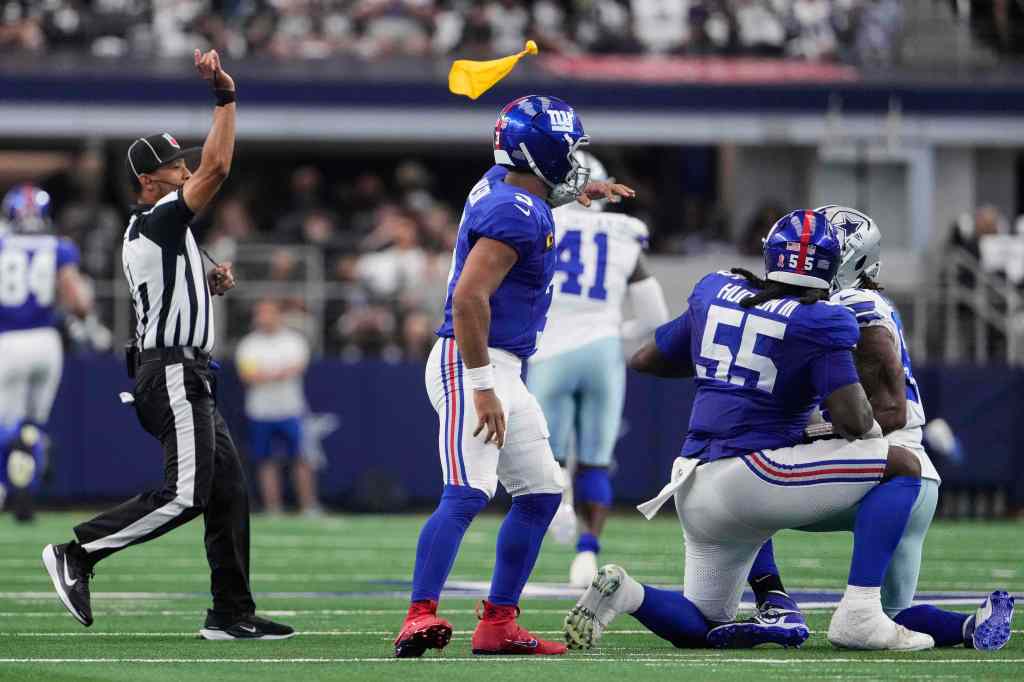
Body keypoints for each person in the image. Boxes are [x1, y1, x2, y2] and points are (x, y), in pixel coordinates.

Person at [564, 210, 934, 652]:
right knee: (902, 465)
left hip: (692, 483)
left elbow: (647, 359)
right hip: (754, 477)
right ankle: (861, 613)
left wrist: (735, 367)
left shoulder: (717, 290)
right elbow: (855, 422)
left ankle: (627, 592)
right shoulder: (823, 321)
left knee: (702, 623)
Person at [40, 49, 294, 641]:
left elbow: (173, 287)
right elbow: (220, 167)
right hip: (173, 372)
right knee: (187, 495)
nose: (186, 171)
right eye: (175, 166)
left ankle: (230, 613)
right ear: (148, 180)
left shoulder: (164, 232)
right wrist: (225, 99)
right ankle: (79, 554)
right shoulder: (156, 220)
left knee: (228, 492)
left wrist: (210, 285)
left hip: (187, 370)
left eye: (184, 163)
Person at [392, 94, 635, 658]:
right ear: (542, 152)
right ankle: (418, 615)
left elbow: (533, 185)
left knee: (543, 493)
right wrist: (480, 387)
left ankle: (498, 623)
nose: (575, 161)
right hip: (471, 360)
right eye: (569, 151)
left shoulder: (505, 184)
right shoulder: (513, 213)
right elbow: (469, 297)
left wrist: (584, 190)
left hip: (501, 364)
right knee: (468, 491)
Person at [721, 205, 1015, 651]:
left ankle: (774, 600)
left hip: (879, 468)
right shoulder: (857, 302)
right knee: (891, 614)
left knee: (740, 485)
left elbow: (890, 411)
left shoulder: (853, 305)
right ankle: (970, 627)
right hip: (914, 478)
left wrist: (809, 434)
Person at [528, 152, 669, 587]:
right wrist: (615, 328)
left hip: (549, 348)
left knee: (543, 456)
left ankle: (560, 506)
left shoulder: (536, 221)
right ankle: (587, 553)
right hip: (603, 351)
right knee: (594, 461)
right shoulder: (625, 233)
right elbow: (654, 318)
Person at [0, 184, 91, 521]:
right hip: (45, 341)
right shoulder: (59, 247)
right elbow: (78, 302)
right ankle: (27, 480)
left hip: (7, 340)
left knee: (4, 423)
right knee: (35, 422)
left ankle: (6, 484)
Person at [236, 299, 319, 516]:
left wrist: (266, 374)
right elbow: (247, 375)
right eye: (260, 314)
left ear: (278, 315)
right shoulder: (248, 344)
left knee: (301, 459)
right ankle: (273, 508)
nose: (263, 318)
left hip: (291, 409)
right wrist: (276, 373)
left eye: (268, 313)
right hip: (260, 411)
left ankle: (308, 506)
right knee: (266, 461)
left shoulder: (294, 341)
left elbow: (296, 368)